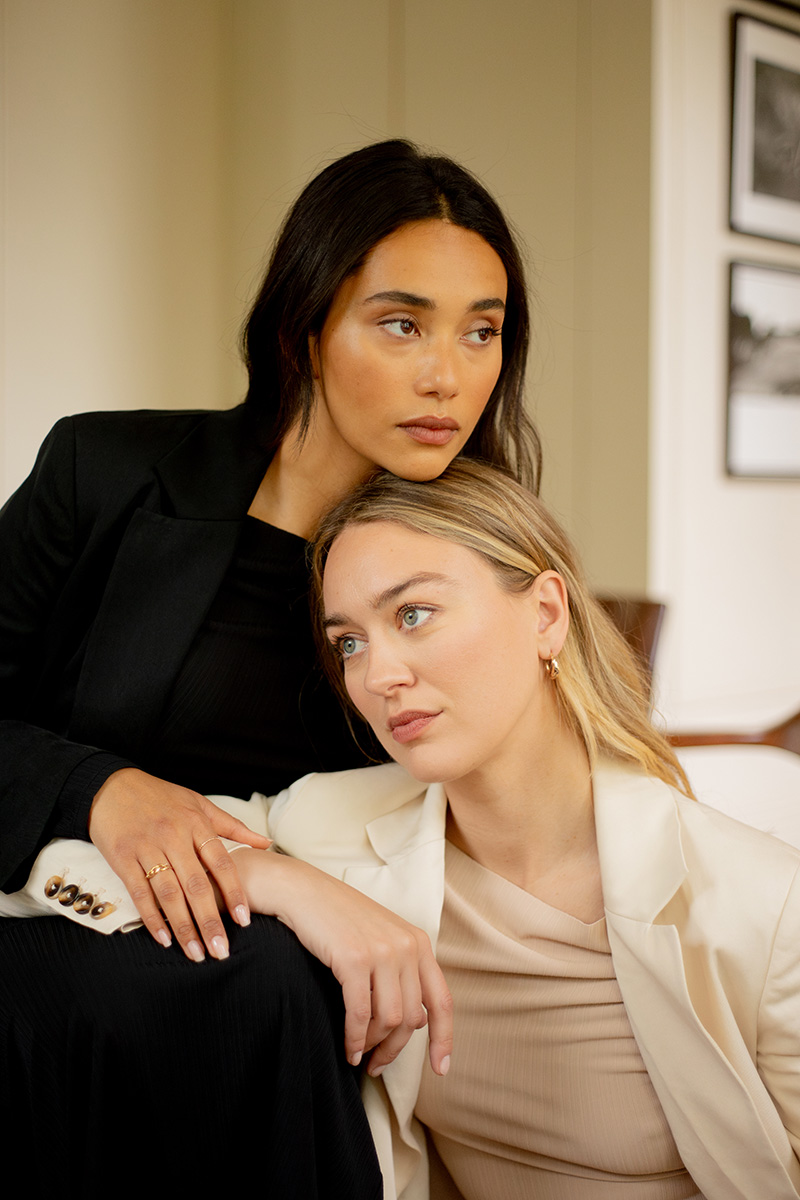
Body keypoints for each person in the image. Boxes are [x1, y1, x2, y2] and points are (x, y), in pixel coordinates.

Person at [0, 140, 539, 1190]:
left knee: (273, 979)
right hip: (52, 925)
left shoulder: (472, 555)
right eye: (401, 323)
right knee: (260, 982)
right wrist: (101, 789)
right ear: (303, 331)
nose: (448, 375)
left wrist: (285, 882)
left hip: (292, 950)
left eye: (482, 331)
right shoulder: (105, 472)